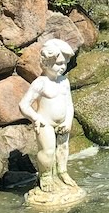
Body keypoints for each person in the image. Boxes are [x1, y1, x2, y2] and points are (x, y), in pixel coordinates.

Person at [19, 38, 78, 193]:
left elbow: (69, 104)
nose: (63, 67)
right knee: (48, 151)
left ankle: (62, 172)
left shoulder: (64, 81)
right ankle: (46, 176)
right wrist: (36, 118)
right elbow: (23, 105)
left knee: (63, 148)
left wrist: (68, 121)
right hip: (45, 123)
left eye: (65, 63)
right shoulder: (41, 83)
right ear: (45, 63)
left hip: (63, 122)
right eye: (59, 63)